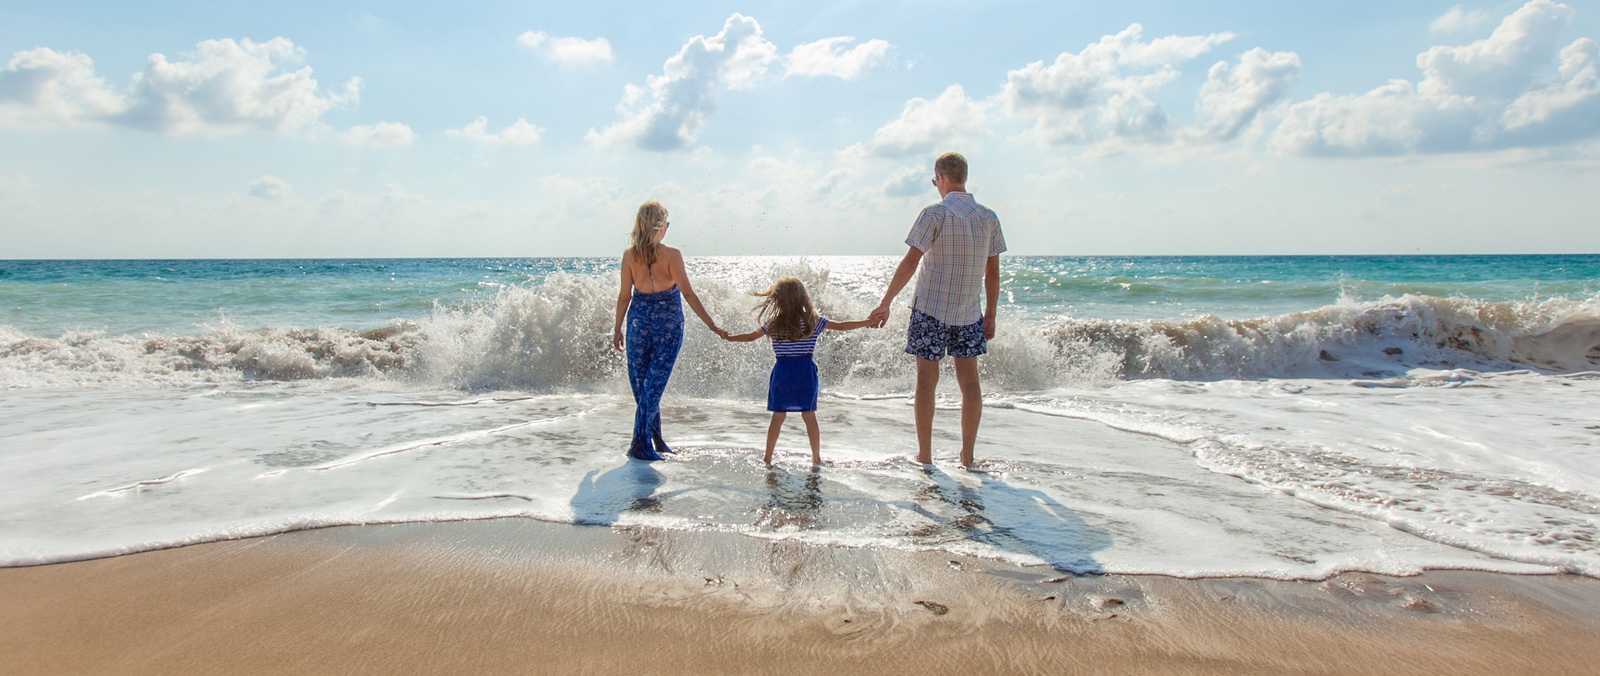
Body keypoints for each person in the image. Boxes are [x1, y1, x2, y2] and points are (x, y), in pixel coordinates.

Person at [867, 152, 1006, 468]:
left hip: (930, 310)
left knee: (926, 382)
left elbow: (910, 262)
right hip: (970, 313)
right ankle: (967, 457)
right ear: (964, 177)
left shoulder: (934, 214)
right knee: (970, 383)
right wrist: (992, 314)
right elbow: (993, 274)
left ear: (941, 178)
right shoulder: (988, 217)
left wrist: (886, 302)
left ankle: (926, 456)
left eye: (935, 180)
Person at [612, 201, 725, 461]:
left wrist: (617, 328)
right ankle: (641, 443)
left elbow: (624, 296)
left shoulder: (630, 255)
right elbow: (687, 293)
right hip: (668, 324)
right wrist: (711, 324)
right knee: (651, 386)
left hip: (638, 322)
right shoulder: (672, 255)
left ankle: (654, 440)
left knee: (645, 387)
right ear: (661, 228)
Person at [721, 277, 873, 466]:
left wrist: (730, 338)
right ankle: (816, 458)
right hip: (804, 373)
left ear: (778, 300)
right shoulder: (812, 321)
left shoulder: (773, 323)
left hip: (783, 373)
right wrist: (866, 322)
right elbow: (841, 326)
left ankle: (767, 458)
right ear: (802, 298)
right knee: (809, 416)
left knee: (778, 417)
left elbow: (752, 337)